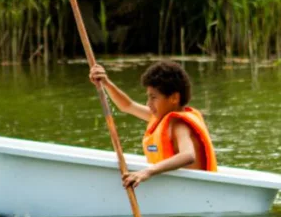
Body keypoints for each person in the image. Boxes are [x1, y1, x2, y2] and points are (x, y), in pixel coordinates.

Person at [89, 61, 217, 188]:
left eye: (153, 97)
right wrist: (106, 83)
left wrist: (148, 171)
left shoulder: (180, 125)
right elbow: (128, 106)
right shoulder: (160, 117)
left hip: (191, 189)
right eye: (148, 97)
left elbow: (188, 155)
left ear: (174, 98)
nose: (148, 103)